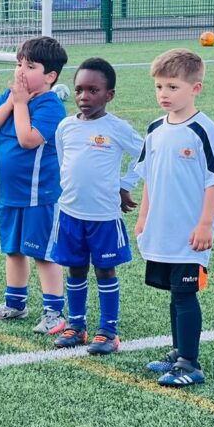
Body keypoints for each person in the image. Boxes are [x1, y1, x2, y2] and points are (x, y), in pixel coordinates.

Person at [135, 49, 214, 386]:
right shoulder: (154, 128)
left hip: (190, 233)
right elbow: (149, 177)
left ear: (195, 88)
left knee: (185, 294)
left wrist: (205, 223)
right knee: (174, 293)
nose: (164, 94)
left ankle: (190, 364)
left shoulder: (204, 129)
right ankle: (178, 352)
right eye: (159, 86)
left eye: (173, 87)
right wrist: (143, 217)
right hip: (162, 229)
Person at [51, 58, 144, 354]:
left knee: (105, 270)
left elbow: (145, 153)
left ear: (109, 95)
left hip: (104, 216)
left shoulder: (116, 128)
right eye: (79, 90)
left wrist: (125, 185)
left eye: (93, 90)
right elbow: (64, 162)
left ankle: (108, 331)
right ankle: (76, 326)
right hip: (70, 213)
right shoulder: (66, 127)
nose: (84, 96)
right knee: (75, 269)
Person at [0, 36, 68, 335]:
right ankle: (15, 303)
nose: (20, 71)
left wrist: (19, 104)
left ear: (50, 76)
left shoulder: (51, 106)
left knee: (43, 253)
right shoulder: (11, 96)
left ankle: (54, 312)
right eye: (19, 64)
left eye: (30, 66)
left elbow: (28, 139)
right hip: (9, 194)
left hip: (39, 195)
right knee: (13, 250)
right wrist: (11, 102)